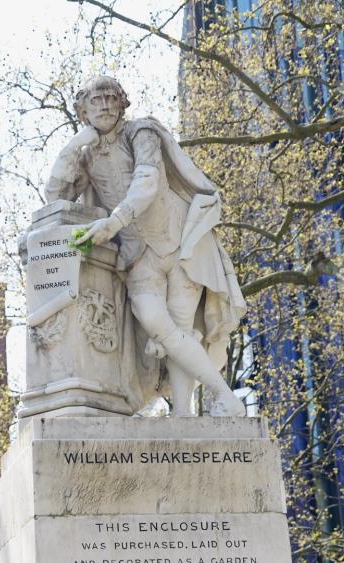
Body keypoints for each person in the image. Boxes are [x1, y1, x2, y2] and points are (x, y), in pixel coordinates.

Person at [44, 75, 246, 417]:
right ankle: (225, 396)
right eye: (96, 100)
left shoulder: (141, 132)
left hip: (180, 242)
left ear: (122, 103)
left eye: (111, 98)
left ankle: (183, 414)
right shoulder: (86, 154)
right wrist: (72, 147)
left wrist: (113, 223)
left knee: (180, 328)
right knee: (155, 322)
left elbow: (147, 181)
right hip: (138, 256)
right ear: (82, 111)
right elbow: (55, 198)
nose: (105, 105)